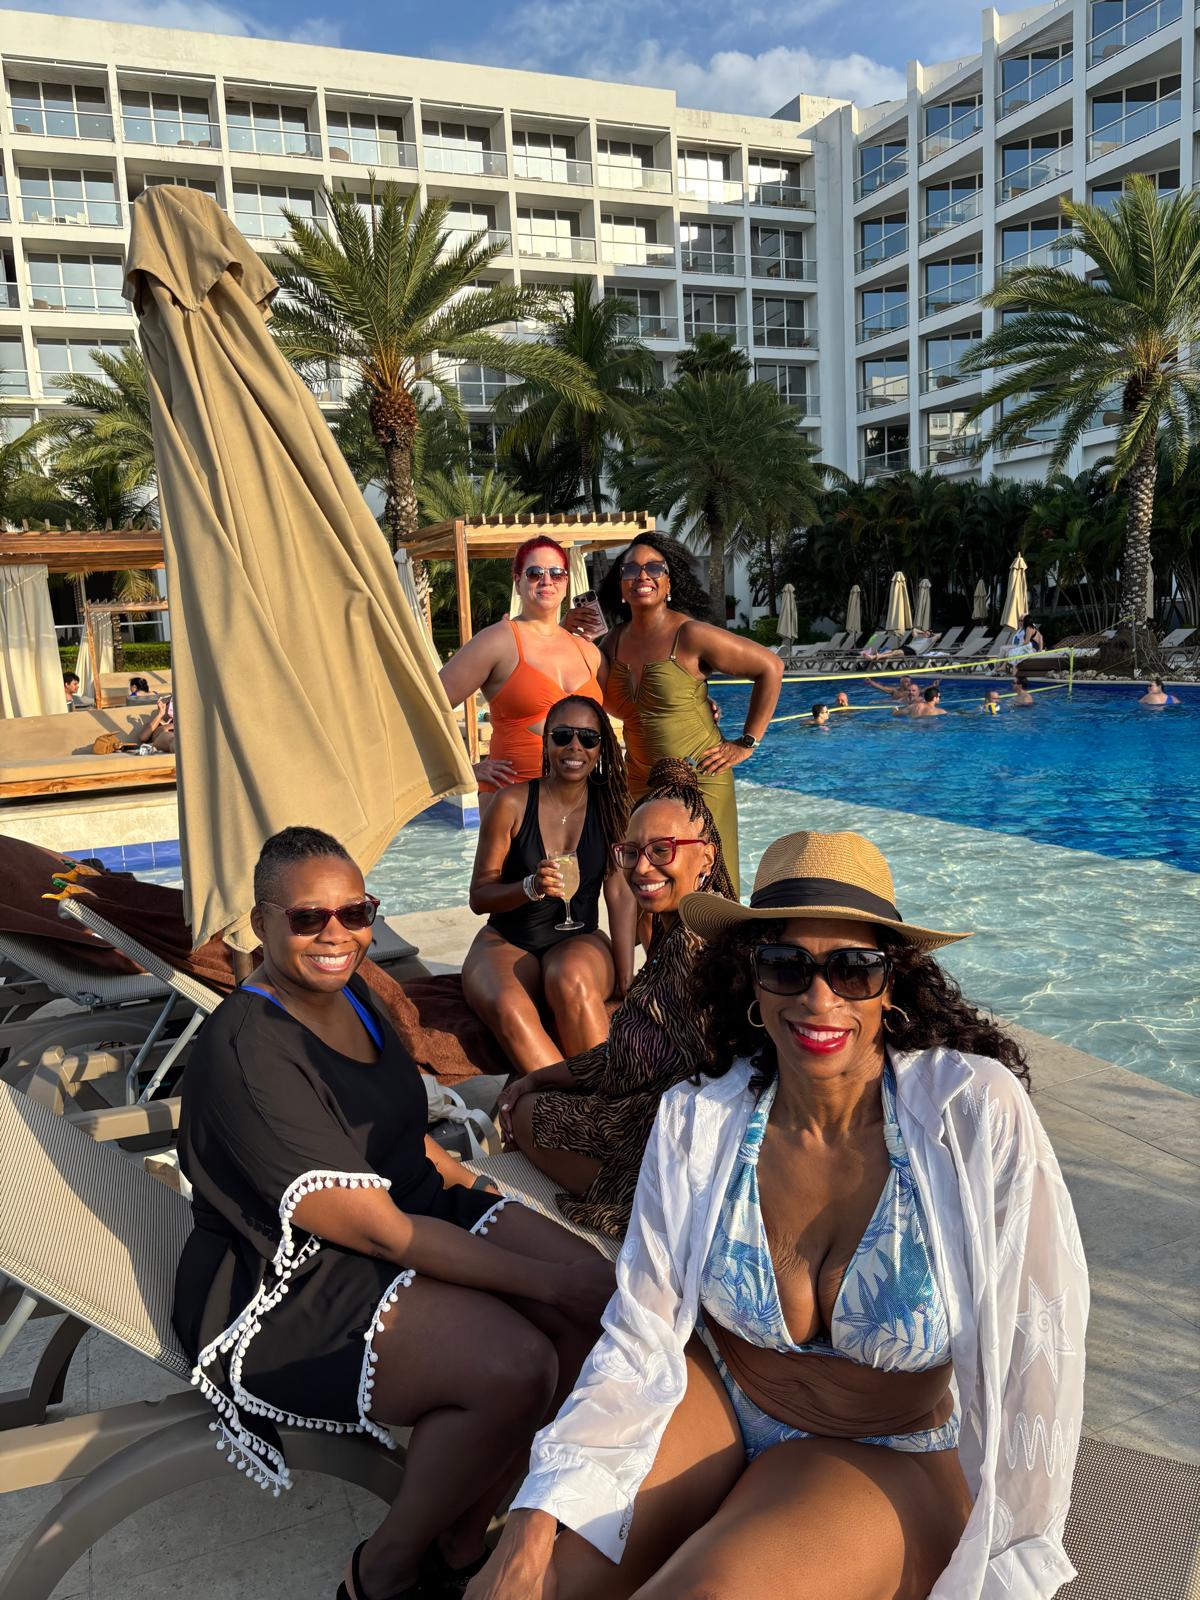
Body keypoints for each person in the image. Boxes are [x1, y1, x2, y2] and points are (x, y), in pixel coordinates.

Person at [469, 830, 1088, 1600]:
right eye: (786, 964)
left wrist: (1012, 1557)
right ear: (751, 980)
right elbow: (641, 1329)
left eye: (854, 967)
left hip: (884, 1448)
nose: (819, 997)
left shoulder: (969, 1115)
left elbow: (1041, 1349)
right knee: (536, 1584)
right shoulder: (703, 1120)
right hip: (718, 1393)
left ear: (893, 983)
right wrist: (534, 1519)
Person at [172, 826, 614, 1600]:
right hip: (292, 1278)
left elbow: (409, 1135)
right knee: (516, 1363)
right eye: (309, 918)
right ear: (261, 922)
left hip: (403, 1201)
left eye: (355, 912)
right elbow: (378, 1230)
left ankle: (459, 1536)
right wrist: (537, 1285)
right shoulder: (250, 1051)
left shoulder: (359, 990)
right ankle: (380, 1573)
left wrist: (484, 1196)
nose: (335, 934)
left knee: (591, 1295)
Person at [497, 758, 737, 1238]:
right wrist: (543, 1075)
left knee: (519, 1113)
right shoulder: (689, 931)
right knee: (530, 1089)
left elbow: (651, 1071)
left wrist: (540, 1086)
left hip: (660, 1157)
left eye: (663, 850)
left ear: (705, 858)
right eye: (632, 852)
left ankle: (630, 1207)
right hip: (667, 1133)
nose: (643, 867)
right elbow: (632, 1054)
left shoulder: (693, 950)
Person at [597, 534, 784, 894]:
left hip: (701, 778)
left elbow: (770, 667)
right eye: (631, 569)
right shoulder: (613, 642)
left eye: (654, 568)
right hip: (639, 781)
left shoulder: (691, 634)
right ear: (620, 584)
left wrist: (746, 742)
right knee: (648, 887)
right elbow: (602, 698)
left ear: (669, 582)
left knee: (709, 888)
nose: (642, 576)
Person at [462, 696, 633, 1076]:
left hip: (579, 940)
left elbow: (619, 892)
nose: (575, 747)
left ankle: (606, 1099)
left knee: (569, 977)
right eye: (563, 735)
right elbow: (479, 896)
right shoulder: (510, 803)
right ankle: (567, 1107)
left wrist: (625, 974)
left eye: (588, 738)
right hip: (507, 940)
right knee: (509, 1007)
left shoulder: (612, 806)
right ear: (546, 743)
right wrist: (529, 886)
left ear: (601, 747)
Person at [439, 537, 603, 807]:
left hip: (580, 807)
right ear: (518, 582)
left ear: (566, 584)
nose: (546, 580)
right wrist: (463, 769)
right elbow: (427, 708)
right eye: (535, 573)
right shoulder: (497, 641)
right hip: (513, 804)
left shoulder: (588, 651)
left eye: (556, 573)